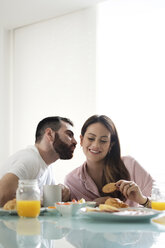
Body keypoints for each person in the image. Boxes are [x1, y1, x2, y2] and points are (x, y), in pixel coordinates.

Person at [64, 115, 153, 207]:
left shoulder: (130, 165)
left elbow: (161, 203)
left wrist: (142, 199)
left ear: (111, 145)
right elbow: (73, 216)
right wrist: (93, 204)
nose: (96, 145)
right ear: (81, 140)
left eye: (103, 140)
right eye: (91, 138)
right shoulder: (71, 181)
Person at [0, 116, 77, 207]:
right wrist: (40, 201)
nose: (75, 142)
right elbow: (2, 196)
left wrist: (63, 192)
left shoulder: (47, 165)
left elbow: (50, 203)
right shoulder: (30, 160)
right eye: (69, 135)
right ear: (49, 134)